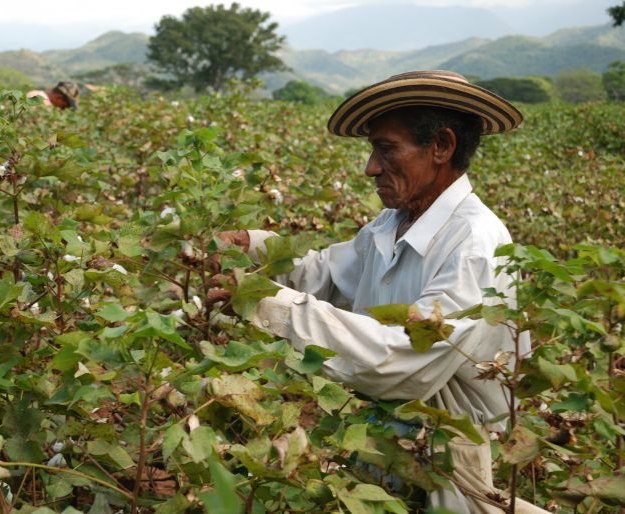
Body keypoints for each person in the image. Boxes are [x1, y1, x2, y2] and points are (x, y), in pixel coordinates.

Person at [214, 70, 547, 513]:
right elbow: (326, 276)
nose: (371, 167)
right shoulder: (391, 224)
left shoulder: (474, 245)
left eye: (386, 148)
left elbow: (402, 359)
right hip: (379, 433)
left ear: (442, 146)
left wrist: (266, 302)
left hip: (445, 450)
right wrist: (252, 248)